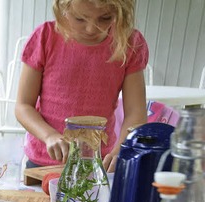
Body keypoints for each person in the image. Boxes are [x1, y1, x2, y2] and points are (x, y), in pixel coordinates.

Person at [15, 0, 148, 172]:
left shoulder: (130, 43)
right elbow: (23, 106)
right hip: (44, 163)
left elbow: (136, 113)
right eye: (79, 19)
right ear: (63, 8)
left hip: (98, 162)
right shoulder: (45, 37)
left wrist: (121, 149)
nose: (91, 28)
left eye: (105, 18)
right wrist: (49, 136)